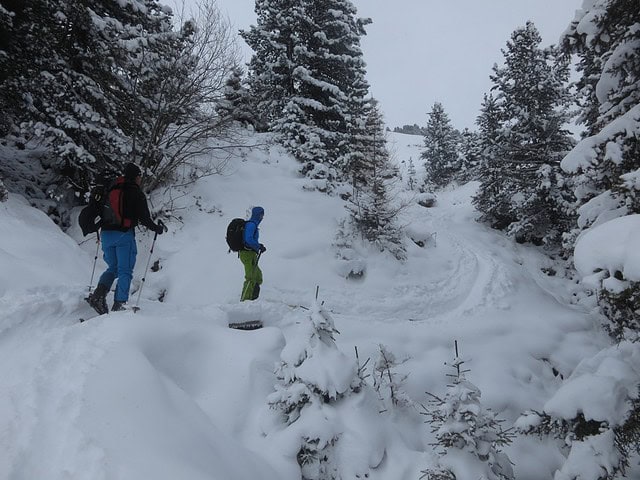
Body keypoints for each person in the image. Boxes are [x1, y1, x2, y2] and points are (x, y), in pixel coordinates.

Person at [87, 163, 164, 314]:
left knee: (113, 268)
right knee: (125, 271)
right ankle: (120, 304)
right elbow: (144, 218)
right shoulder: (135, 192)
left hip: (106, 235)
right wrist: (157, 228)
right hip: (123, 236)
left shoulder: (111, 187)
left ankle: (98, 295)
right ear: (136, 177)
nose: (140, 179)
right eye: (140, 176)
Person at [240, 206, 266, 301]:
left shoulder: (253, 224)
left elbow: (250, 240)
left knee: (258, 276)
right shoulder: (251, 225)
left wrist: (258, 246)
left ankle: (253, 298)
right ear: (256, 214)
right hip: (246, 253)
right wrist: (258, 246)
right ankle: (245, 301)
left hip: (251, 253)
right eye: (261, 214)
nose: (262, 217)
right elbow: (248, 239)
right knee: (250, 277)